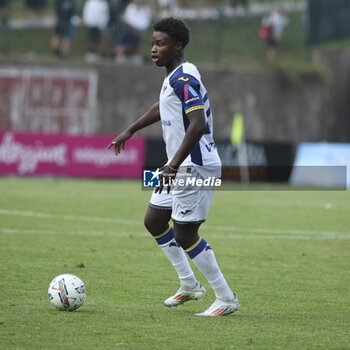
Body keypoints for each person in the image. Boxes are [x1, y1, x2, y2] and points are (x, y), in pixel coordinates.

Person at [107, 17, 240, 316]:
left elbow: (197, 123)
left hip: (195, 167)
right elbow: (163, 106)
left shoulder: (183, 78)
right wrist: (131, 129)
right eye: (152, 43)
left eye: (160, 43)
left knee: (185, 234)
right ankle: (189, 284)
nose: (153, 48)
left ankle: (225, 297)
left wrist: (173, 165)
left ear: (178, 46)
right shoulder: (174, 76)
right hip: (177, 166)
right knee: (154, 221)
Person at [114, 0, 151, 65]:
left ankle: (132, 54)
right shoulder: (130, 7)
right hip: (129, 28)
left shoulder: (145, 10)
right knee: (124, 34)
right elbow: (127, 18)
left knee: (135, 35)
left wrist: (136, 27)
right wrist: (131, 26)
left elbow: (145, 23)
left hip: (140, 30)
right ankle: (122, 52)